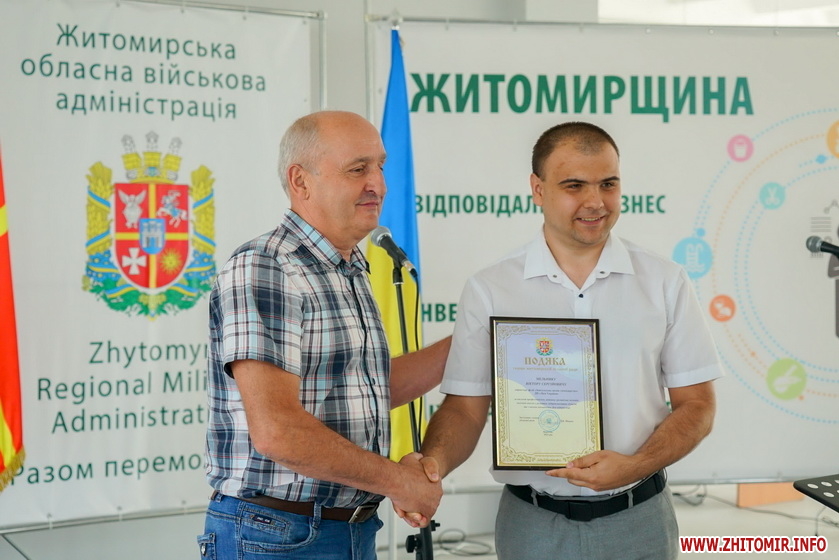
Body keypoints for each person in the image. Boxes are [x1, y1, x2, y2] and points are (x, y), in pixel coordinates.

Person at [414, 121, 723, 559]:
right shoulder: (492, 289)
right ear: (538, 190)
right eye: (574, 185)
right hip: (533, 524)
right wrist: (431, 467)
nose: (595, 202)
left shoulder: (664, 282)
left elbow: (698, 406)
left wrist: (634, 466)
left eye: (608, 184)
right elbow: (465, 408)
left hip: (640, 519)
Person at [199, 110, 450, 560]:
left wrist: (475, 339)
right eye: (358, 169)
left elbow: (365, 390)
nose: (379, 185)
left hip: (348, 530)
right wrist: (399, 481)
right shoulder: (268, 266)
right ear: (301, 181)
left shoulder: (350, 266)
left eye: (380, 167)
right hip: (278, 537)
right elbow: (278, 432)